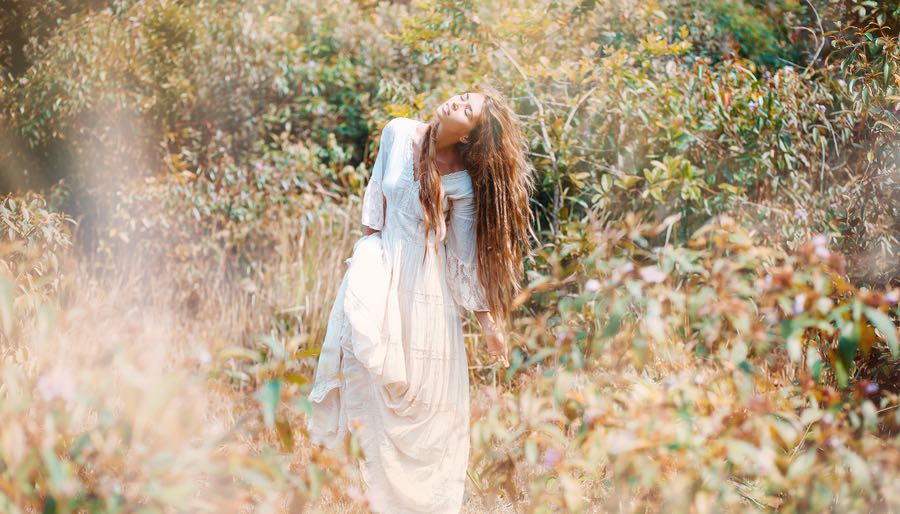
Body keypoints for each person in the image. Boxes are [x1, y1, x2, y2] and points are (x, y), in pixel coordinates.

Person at [307, 82, 535, 513]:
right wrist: (363, 273)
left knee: (421, 406)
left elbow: (462, 260)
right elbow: (374, 209)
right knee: (368, 376)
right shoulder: (397, 132)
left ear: (468, 134)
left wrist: (489, 324)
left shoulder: (462, 182)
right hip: (381, 271)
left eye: (467, 108)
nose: (456, 101)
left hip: (428, 294)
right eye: (462, 95)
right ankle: (364, 496)